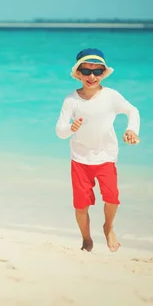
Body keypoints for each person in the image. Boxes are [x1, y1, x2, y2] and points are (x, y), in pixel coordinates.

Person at [55, 48, 140, 253]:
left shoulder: (111, 96)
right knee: (81, 205)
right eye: (85, 71)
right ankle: (86, 239)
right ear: (78, 74)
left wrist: (131, 129)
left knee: (112, 198)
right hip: (80, 158)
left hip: (106, 156)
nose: (91, 76)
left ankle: (108, 227)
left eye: (97, 71)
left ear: (103, 73)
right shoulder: (71, 100)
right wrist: (70, 128)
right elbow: (60, 131)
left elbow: (132, 111)